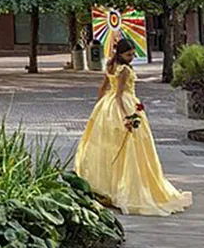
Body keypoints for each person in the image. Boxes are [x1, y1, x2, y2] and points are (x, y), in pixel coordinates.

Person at [75, 38, 192, 216]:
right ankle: (126, 187)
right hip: (123, 106)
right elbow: (120, 96)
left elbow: (103, 89)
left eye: (132, 54)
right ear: (120, 54)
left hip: (107, 107)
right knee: (131, 148)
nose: (132, 57)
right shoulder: (124, 70)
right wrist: (127, 116)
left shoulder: (110, 65)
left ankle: (110, 186)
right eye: (129, 54)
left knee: (109, 147)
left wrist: (98, 109)